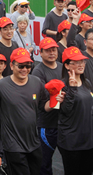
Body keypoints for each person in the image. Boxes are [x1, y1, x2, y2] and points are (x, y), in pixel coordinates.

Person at [0, 47, 51, 175]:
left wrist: (55, 101)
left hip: (34, 143)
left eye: (28, 65)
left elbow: (44, 107)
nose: (25, 69)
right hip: (13, 145)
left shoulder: (36, 82)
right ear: (12, 66)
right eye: (20, 66)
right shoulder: (0, 86)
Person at [57, 46, 93, 175]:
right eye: (75, 62)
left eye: (82, 61)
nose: (80, 65)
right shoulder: (61, 85)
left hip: (88, 140)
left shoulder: (86, 82)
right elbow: (65, 111)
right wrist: (71, 89)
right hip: (71, 142)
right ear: (66, 65)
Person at [32, 37, 63, 175]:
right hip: (47, 124)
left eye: (54, 50)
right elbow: (43, 97)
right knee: (44, 162)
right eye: (48, 50)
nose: (52, 53)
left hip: (64, 123)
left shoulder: (63, 68)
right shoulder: (38, 71)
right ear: (40, 52)